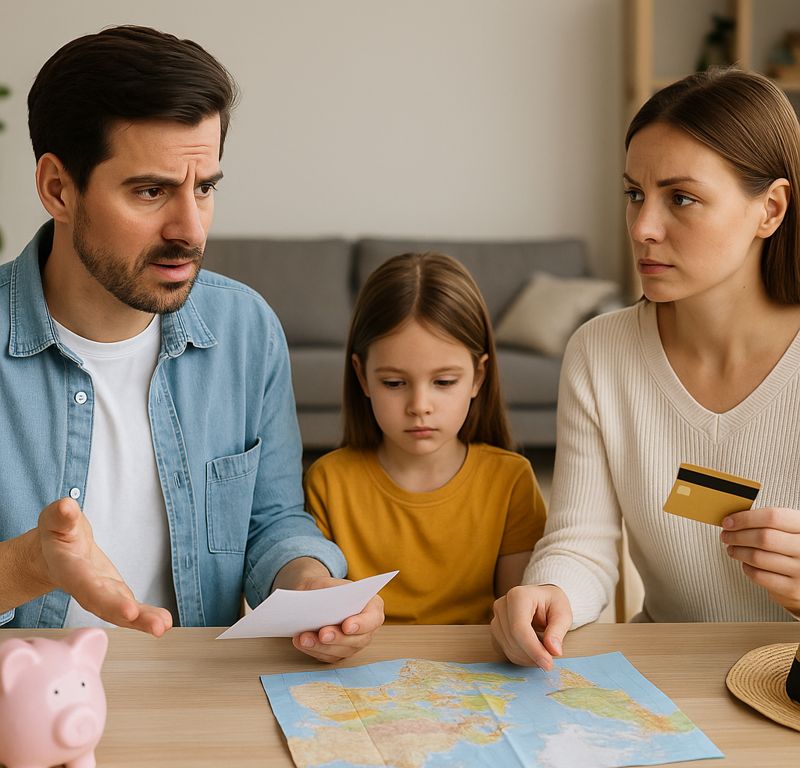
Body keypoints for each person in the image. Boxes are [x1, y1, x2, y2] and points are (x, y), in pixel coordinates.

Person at [0, 25, 382, 662]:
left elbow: (271, 521)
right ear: (58, 189)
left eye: (204, 188)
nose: (189, 230)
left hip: (193, 689)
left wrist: (310, 584)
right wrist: (30, 564)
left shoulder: (245, 331)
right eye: (150, 191)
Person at [491, 67, 800, 670]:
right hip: (665, 674)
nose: (642, 228)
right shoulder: (599, 353)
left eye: (681, 198)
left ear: (770, 209)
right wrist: (549, 591)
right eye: (635, 193)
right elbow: (580, 543)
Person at [304, 252, 547, 624]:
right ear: (362, 376)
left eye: (444, 382)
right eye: (394, 383)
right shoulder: (328, 481)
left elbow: (521, 616)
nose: (419, 406)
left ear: (478, 377)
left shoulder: (510, 480)